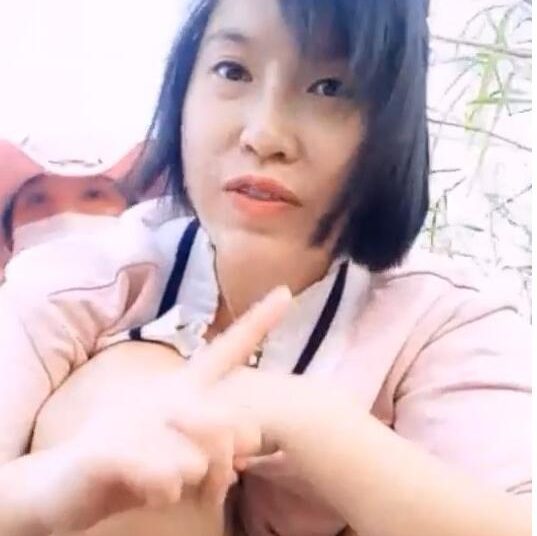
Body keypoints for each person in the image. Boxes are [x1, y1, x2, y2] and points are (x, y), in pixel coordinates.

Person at [0, 0, 531, 535]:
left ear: (393, 127)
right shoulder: (79, 281)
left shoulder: (444, 321)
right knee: (133, 395)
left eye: (330, 87)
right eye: (233, 71)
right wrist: (56, 488)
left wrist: (289, 415)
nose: (264, 134)